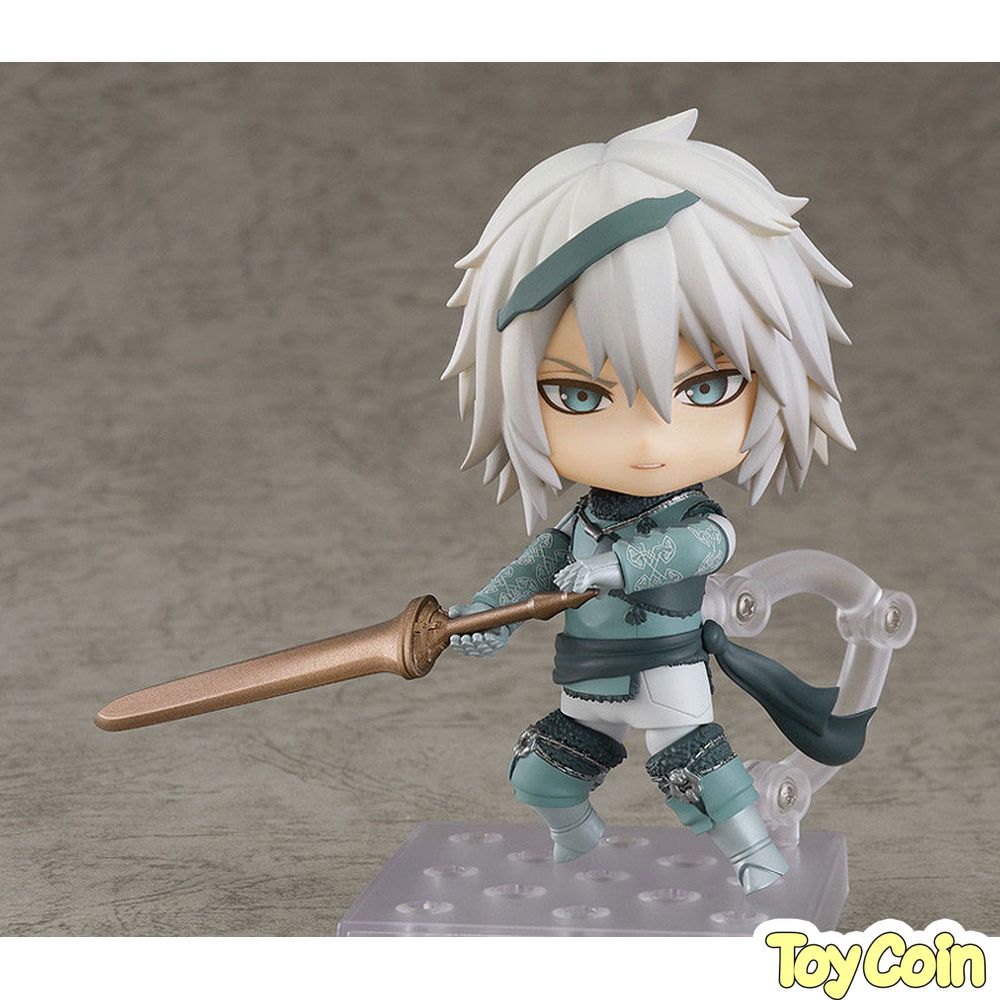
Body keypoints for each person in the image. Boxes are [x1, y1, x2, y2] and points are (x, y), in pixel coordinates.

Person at [441, 110, 857, 893]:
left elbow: (700, 548)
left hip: (667, 669)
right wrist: (485, 615)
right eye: (577, 395)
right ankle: (576, 847)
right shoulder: (582, 522)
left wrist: (615, 569)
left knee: (693, 773)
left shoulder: (692, 518)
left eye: (706, 388)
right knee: (540, 774)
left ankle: (757, 860)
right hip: (587, 676)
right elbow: (536, 563)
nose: (647, 439)